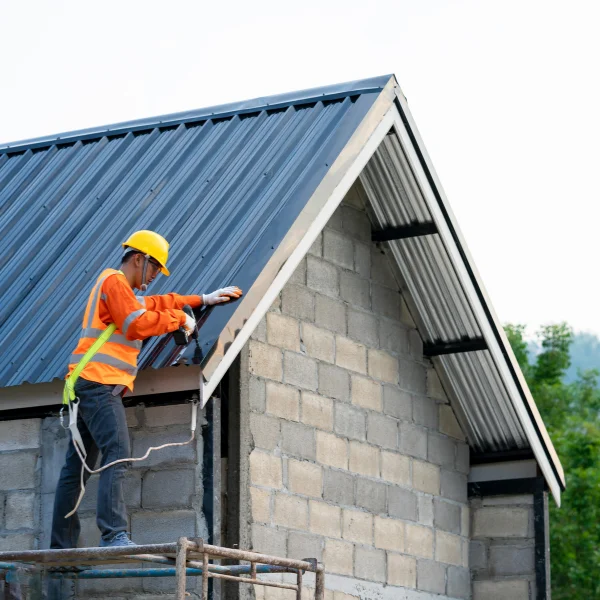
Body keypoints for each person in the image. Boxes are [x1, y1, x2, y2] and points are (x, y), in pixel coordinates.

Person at [50, 230, 242, 549]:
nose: (154, 276)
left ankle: (60, 548)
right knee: (118, 453)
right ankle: (113, 535)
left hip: (88, 384)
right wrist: (178, 319)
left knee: (75, 468)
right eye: (154, 268)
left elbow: (160, 302)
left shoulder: (123, 291)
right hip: (99, 384)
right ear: (138, 258)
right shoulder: (113, 281)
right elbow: (136, 324)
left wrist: (202, 300)